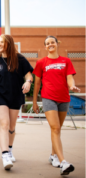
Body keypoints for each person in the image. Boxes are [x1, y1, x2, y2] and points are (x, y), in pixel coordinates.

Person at [33, 36, 79, 175]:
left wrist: (72, 86)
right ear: (45, 47)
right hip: (48, 98)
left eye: (52, 42)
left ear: (57, 44)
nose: (50, 45)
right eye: (47, 44)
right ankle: (63, 162)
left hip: (64, 98)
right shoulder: (41, 62)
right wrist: (35, 101)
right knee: (55, 127)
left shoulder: (66, 61)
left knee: (57, 130)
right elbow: (37, 83)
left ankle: (53, 156)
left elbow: (69, 78)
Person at [0, 34, 33, 170]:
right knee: (4, 124)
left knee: (12, 127)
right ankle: (5, 155)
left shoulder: (20, 59)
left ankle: (9, 148)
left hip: (15, 96)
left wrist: (28, 82)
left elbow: (28, 75)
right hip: (0, 96)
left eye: (2, 42)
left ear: (9, 43)